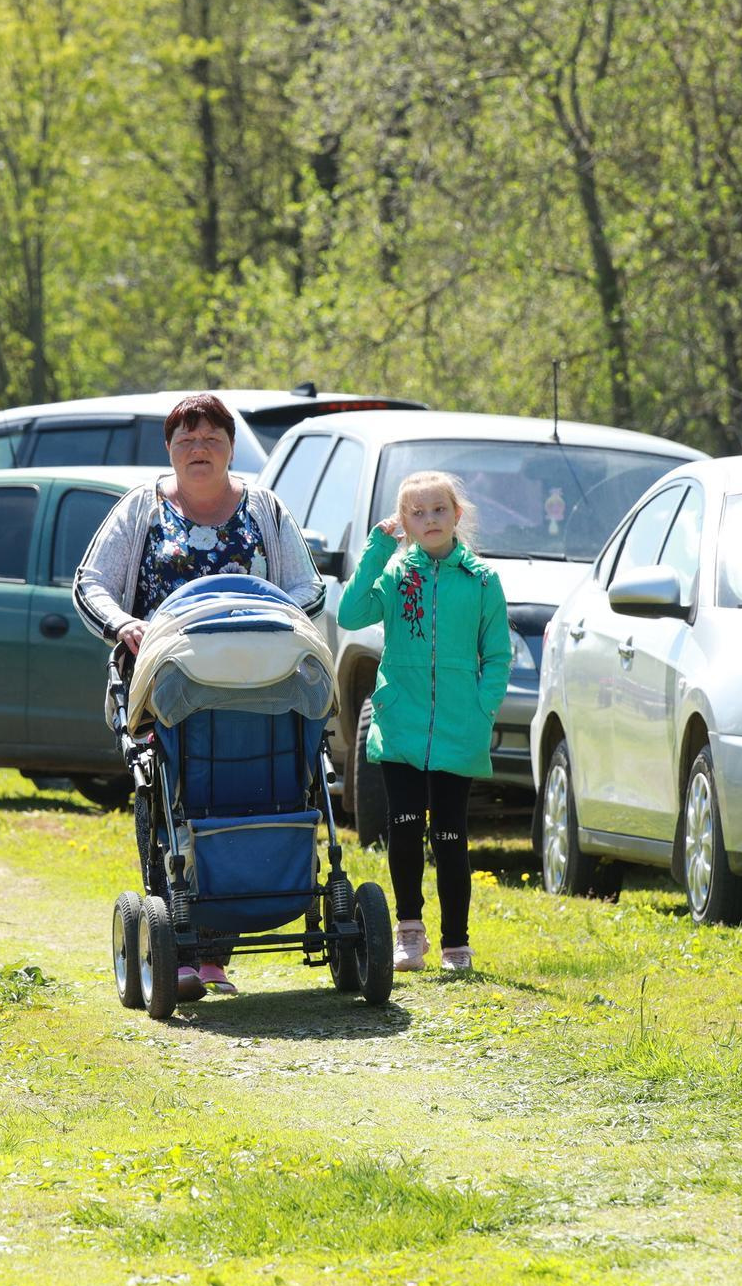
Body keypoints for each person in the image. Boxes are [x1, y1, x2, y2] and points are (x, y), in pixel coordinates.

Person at [73, 392, 322, 995]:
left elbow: (305, 588)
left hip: (258, 682)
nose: (198, 449)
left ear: (231, 447)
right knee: (170, 802)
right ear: (170, 450)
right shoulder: (142, 508)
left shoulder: (263, 507)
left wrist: (272, 620)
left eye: (211, 438)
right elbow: (92, 583)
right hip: (168, 684)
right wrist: (125, 625)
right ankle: (179, 946)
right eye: (185, 440)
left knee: (249, 793)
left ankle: (217, 953)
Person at [336, 470, 510, 975]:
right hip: (402, 725)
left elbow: (497, 655)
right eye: (417, 512)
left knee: (452, 837)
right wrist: (376, 546)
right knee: (406, 831)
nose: (429, 519)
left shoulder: (482, 581)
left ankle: (458, 942)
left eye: (439, 510)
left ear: (457, 515)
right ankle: (409, 933)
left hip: (459, 727)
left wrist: (483, 707)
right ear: (404, 523)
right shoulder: (395, 576)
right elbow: (349, 613)